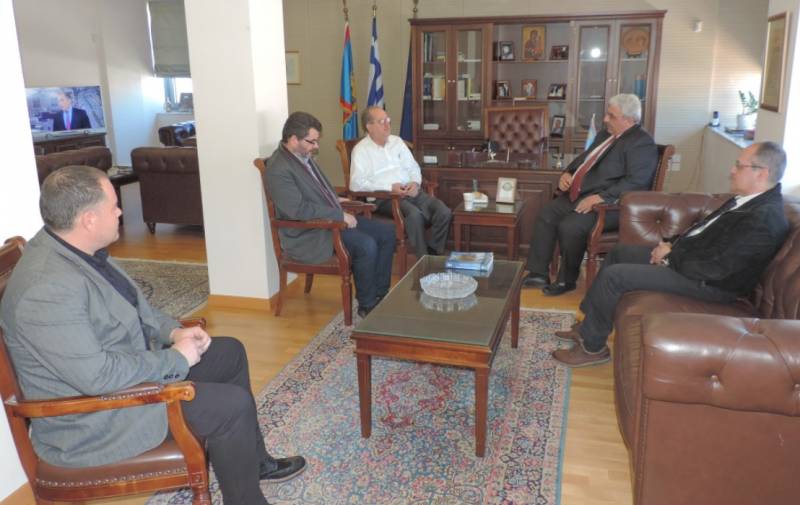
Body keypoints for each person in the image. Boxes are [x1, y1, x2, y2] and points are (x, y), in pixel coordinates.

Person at [0, 166, 305, 505]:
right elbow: (97, 377)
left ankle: (253, 463)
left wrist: (174, 331)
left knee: (229, 352)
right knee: (230, 407)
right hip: (95, 421)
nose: (120, 212)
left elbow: (135, 309)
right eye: (114, 206)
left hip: (123, 376)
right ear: (88, 219)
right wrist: (174, 359)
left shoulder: (76, 248)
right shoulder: (46, 289)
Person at [553, 141, 790, 367]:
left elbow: (717, 269)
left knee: (615, 276)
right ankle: (588, 327)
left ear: (762, 173)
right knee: (618, 252)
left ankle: (592, 348)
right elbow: (701, 232)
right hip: (692, 263)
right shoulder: (746, 201)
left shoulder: (763, 218)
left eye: (739, 165)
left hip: (711, 284)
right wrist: (670, 245)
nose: (732, 170)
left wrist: (669, 258)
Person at [523, 93, 658, 296]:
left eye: (611, 116)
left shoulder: (641, 143)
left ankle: (567, 280)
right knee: (547, 214)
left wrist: (601, 197)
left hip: (612, 206)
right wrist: (568, 173)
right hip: (584, 195)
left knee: (570, 226)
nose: (605, 119)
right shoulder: (605, 135)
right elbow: (583, 160)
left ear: (629, 120)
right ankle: (538, 273)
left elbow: (637, 182)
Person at [265, 111, 396, 317]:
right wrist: (339, 215)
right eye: (312, 141)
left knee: (387, 232)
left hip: (327, 219)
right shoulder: (278, 168)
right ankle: (367, 305)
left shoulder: (301, 155)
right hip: (310, 233)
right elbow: (297, 210)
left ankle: (380, 294)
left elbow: (315, 191)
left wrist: (336, 200)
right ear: (293, 139)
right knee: (366, 244)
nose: (316, 146)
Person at [350, 106, 452, 258]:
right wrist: (389, 187)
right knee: (414, 215)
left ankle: (433, 254)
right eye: (381, 121)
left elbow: (413, 167)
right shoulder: (361, 150)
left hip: (411, 191)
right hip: (385, 198)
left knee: (444, 212)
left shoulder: (397, 142)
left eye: (388, 120)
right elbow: (355, 184)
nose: (387, 124)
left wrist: (415, 183)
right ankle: (423, 259)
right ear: (369, 126)